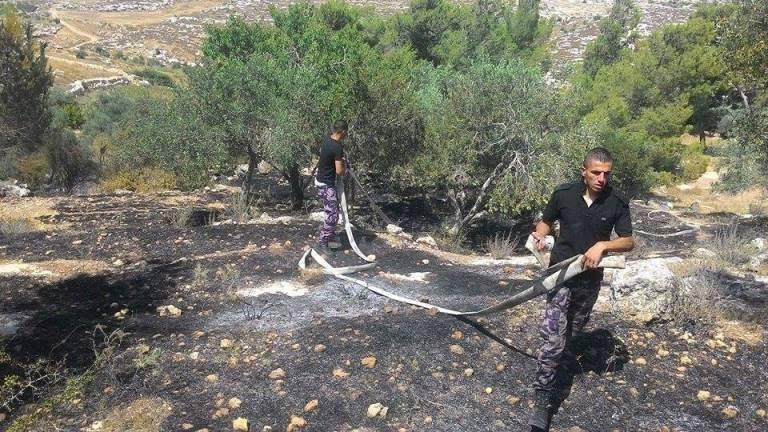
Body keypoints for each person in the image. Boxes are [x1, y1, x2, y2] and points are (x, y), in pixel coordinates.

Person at [528, 147, 634, 431]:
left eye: (607, 173)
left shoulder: (617, 201)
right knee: (553, 338)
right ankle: (543, 399)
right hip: (561, 275)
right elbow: (546, 222)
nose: (602, 178)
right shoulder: (564, 194)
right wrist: (540, 236)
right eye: (596, 172)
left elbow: (628, 240)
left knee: (571, 333)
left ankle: (559, 364)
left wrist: (603, 245)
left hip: (590, 280)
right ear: (583, 171)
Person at [315, 120, 348, 257]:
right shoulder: (337, 147)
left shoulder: (327, 140)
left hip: (321, 181)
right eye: (346, 132)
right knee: (332, 215)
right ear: (343, 131)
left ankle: (329, 235)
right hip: (326, 184)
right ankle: (322, 243)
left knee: (332, 212)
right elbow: (339, 170)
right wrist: (345, 165)